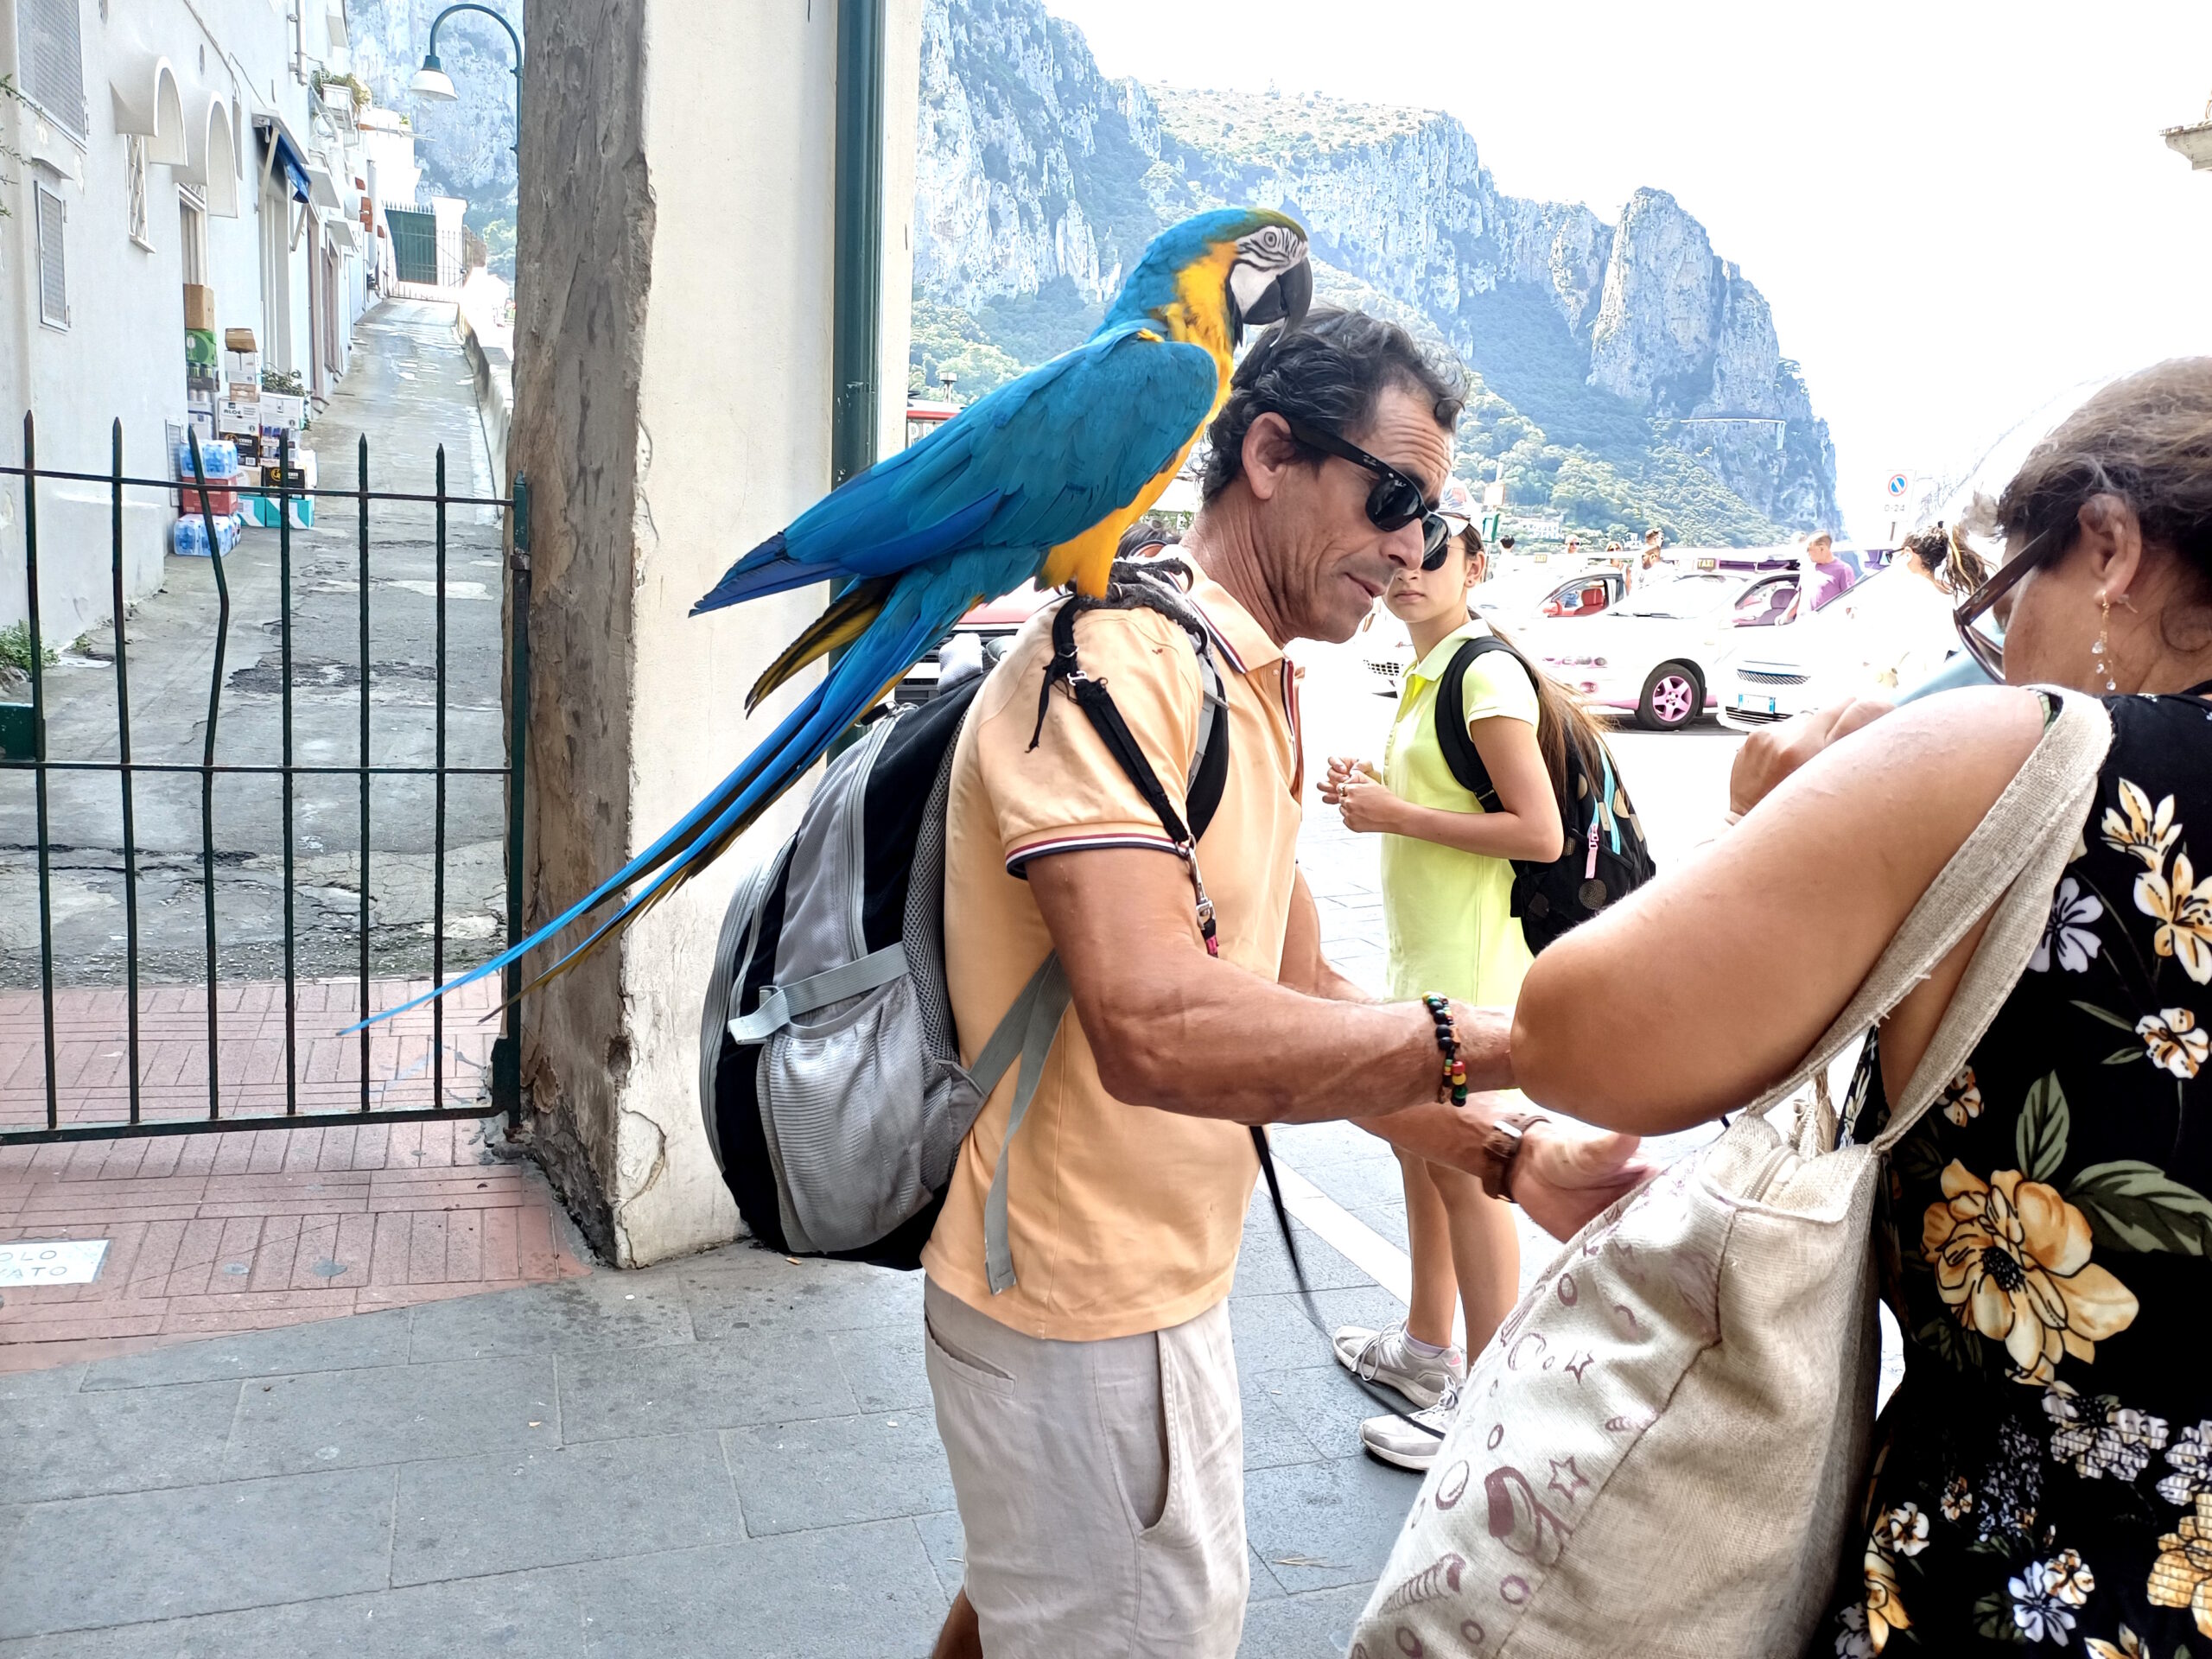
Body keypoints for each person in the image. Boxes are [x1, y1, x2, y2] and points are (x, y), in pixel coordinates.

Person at [921, 308, 1649, 1659]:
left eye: (1432, 520)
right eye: (1392, 499)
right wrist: (1516, 1040)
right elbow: (1153, 1026)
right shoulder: (1118, 668)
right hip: (1079, 1301)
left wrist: (1500, 1156)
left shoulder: (1247, 684)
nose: (1411, 548)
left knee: (1030, 1605)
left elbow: (1304, 990)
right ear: (1268, 452)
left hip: (1146, 1291)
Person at [1509, 359, 2212, 1654]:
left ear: (2109, 549)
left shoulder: (2029, 756)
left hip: (2029, 1590)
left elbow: (1578, 1037)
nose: (2002, 657)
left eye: (2009, 605)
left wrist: (1771, 826)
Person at [1319, 509, 1608, 1470]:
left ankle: (1481, 1405)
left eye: (1432, 551)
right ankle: (1424, 1349)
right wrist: (1382, 797)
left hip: (1476, 973)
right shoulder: (1431, 668)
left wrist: (1390, 810)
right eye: (1393, 550)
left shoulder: (1482, 670)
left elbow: (1540, 833)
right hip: (1430, 964)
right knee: (1424, 1157)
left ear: (1475, 566)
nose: (1406, 567)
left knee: (1473, 1173)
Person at [1859, 522, 1992, 692]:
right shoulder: (1947, 592)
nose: (1892, 561)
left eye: (1893, 555)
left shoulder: (1907, 592)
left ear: (1907, 554)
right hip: (1945, 685)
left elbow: (1878, 652)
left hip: (1918, 689)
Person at [1791, 529, 1858, 616]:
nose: (1807, 553)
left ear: (1822, 549)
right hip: (1802, 623)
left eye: (1809, 549)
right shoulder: (1807, 567)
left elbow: (1849, 602)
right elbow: (1800, 595)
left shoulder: (1843, 569)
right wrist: (1785, 616)